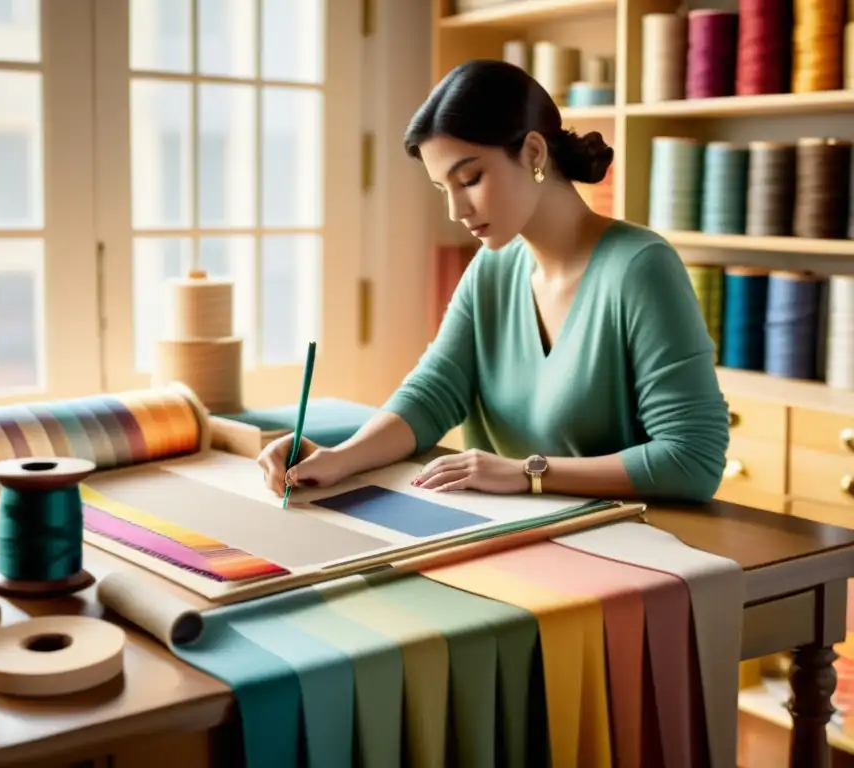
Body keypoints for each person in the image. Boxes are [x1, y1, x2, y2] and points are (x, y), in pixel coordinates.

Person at [258, 59, 729, 504]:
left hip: (630, 550)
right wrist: (339, 459)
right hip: (508, 545)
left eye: (471, 179)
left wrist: (529, 473)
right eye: (444, 189)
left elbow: (693, 459)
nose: (456, 211)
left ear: (533, 152)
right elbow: (432, 393)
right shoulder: (493, 267)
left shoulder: (641, 268)